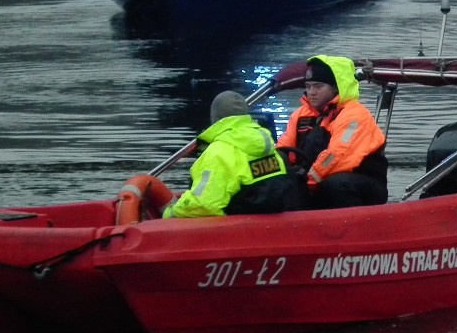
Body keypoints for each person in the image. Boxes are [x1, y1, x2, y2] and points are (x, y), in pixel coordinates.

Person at [277, 55, 388, 209]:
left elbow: (336, 156)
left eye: (318, 86)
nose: (312, 92)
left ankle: (350, 229)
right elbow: (282, 147)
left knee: (335, 185)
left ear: (336, 87)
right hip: (314, 179)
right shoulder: (300, 115)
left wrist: (305, 185)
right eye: (308, 86)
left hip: (361, 182)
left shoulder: (354, 116)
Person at [163, 91, 298, 218]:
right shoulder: (268, 148)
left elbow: (203, 205)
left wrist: (169, 214)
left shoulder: (218, 153)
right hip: (267, 227)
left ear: (215, 118)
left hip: (234, 232)